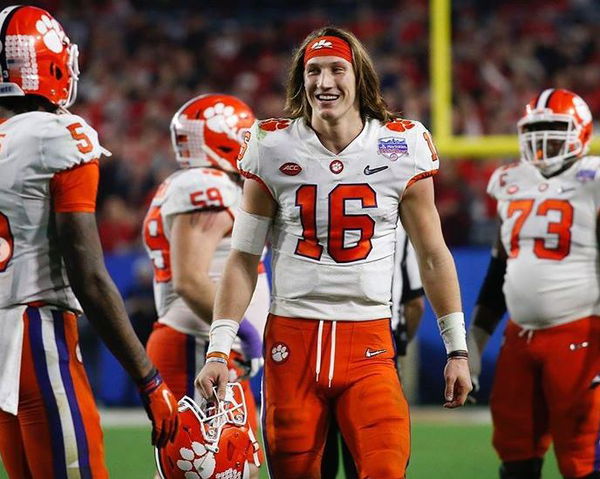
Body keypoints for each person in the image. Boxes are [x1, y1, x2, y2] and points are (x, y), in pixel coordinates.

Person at [196, 26, 471, 478]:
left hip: (369, 343)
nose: (325, 81)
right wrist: (218, 350)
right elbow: (243, 258)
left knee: (385, 469)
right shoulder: (270, 146)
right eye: (314, 71)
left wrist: (456, 351)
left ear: (358, 76)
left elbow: (434, 255)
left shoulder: (401, 145)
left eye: (336, 69)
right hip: (292, 344)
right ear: (300, 81)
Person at [0, 6, 178, 478]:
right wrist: (147, 377)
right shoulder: (60, 135)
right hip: (37, 336)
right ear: (52, 63)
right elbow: (89, 274)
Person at [467, 88, 600, 479]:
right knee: (515, 449)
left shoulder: (593, 177)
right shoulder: (510, 180)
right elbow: (499, 268)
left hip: (580, 335)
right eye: (536, 128)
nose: (543, 138)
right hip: (519, 340)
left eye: (554, 129)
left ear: (581, 132)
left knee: (582, 455)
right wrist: (475, 340)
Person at [143, 94, 268, 478]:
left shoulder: (199, 184)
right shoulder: (206, 186)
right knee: (214, 468)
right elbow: (191, 280)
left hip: (207, 346)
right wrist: (245, 334)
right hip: (197, 345)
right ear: (225, 138)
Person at [321, 223, 425, 478]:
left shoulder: (314, 213)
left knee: (313, 465)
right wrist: (397, 348)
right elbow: (415, 304)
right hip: (376, 353)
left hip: (313, 348)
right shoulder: (400, 222)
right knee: (376, 464)